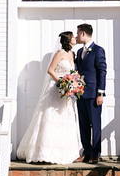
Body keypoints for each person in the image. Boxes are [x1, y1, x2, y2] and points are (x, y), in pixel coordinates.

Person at [16, 31, 82, 164]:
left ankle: (64, 152)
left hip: (67, 92)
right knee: (50, 118)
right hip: (55, 89)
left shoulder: (72, 54)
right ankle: (44, 152)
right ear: (68, 40)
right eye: (73, 37)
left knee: (64, 118)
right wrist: (62, 83)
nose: (75, 38)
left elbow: (72, 72)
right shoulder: (60, 53)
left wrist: (74, 83)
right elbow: (50, 70)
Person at [74, 23, 107, 163]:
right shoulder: (78, 52)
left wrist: (100, 93)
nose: (76, 36)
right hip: (80, 94)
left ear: (83, 34)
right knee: (83, 124)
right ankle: (86, 152)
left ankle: (95, 154)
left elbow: (102, 71)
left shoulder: (98, 50)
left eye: (77, 33)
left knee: (95, 123)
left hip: (94, 94)